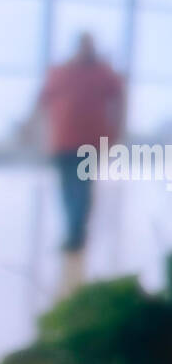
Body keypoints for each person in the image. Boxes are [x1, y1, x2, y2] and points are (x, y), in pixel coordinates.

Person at [34, 32, 125, 256]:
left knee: (82, 188)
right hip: (62, 141)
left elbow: (120, 100)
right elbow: (42, 101)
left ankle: (76, 233)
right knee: (67, 189)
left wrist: (116, 132)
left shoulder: (104, 73)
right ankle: (74, 231)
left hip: (90, 142)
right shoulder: (60, 71)